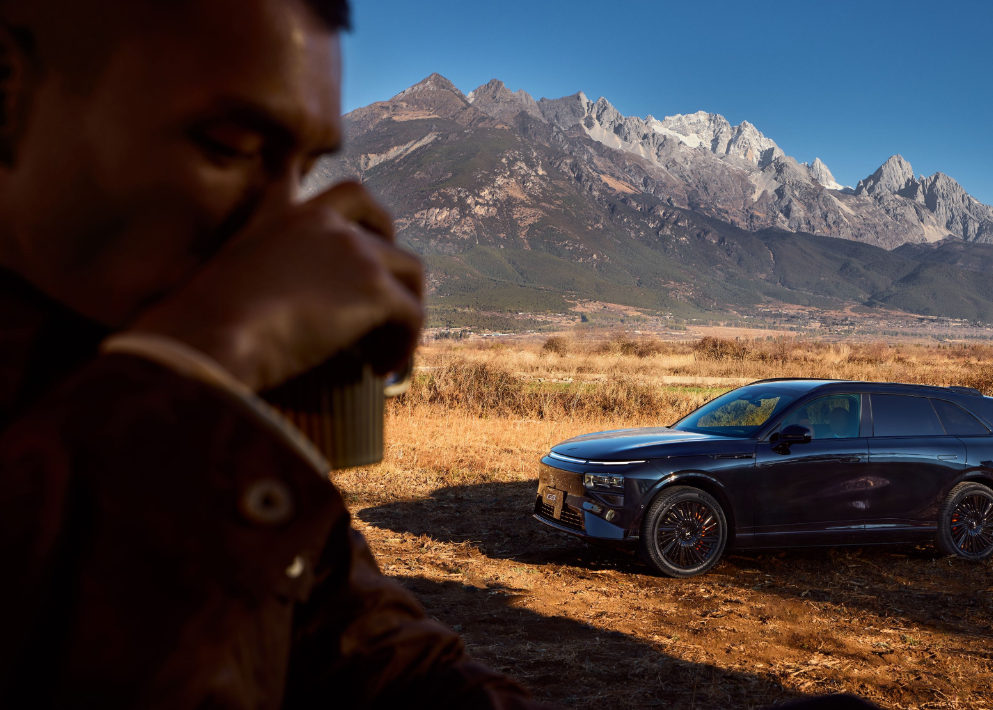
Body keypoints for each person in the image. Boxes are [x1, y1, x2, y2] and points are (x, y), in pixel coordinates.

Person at [0, 1, 884, 708]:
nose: (283, 229)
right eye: (231, 146)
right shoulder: (145, 408)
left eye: (300, 169)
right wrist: (196, 372)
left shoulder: (159, 411)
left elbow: (384, 670)